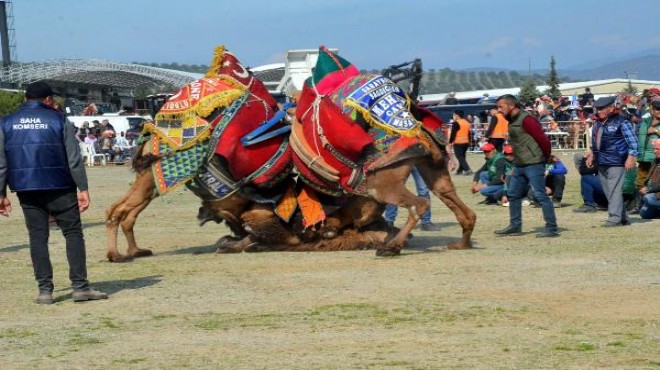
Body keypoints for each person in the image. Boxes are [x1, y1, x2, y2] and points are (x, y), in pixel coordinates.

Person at [0, 81, 108, 304]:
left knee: (37, 238)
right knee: (73, 234)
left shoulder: (6, 122)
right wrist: (83, 188)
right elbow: (73, 158)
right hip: (60, 186)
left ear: (25, 99)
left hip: (26, 188)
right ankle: (80, 287)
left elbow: (1, 163)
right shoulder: (59, 119)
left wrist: (1, 194)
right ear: (48, 100)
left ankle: (45, 291)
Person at [493, 94, 559, 238]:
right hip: (520, 163)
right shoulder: (511, 120)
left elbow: (543, 140)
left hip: (534, 163)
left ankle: (552, 228)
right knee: (513, 194)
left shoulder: (527, 119)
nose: (498, 110)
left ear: (511, 105)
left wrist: (546, 157)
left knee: (540, 195)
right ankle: (515, 226)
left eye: (500, 107)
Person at [585, 96, 638, 227]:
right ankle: (623, 217)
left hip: (617, 161)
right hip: (601, 161)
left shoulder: (622, 122)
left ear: (610, 108)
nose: (599, 111)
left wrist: (631, 158)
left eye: (602, 109)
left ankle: (614, 218)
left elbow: (633, 142)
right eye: (598, 109)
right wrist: (592, 155)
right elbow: (595, 142)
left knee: (614, 190)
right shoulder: (597, 123)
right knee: (609, 191)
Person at [384, 167, 442, 231]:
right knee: (395, 190)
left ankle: (426, 222)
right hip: (404, 161)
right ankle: (389, 221)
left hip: (418, 162)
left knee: (424, 191)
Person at [631, 98, 660, 213]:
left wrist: (656, 132)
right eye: (657, 109)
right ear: (652, 109)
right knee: (640, 181)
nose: (658, 111)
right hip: (643, 156)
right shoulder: (645, 121)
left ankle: (652, 205)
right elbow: (638, 137)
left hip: (656, 158)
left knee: (653, 183)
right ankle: (639, 206)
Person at [639, 139, 660, 219]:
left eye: (657, 149)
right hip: (654, 193)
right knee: (644, 214)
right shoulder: (656, 161)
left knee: (648, 198)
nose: (654, 151)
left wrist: (649, 189)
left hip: (654, 193)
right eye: (654, 149)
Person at [449, 110, 472, 176]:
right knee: (462, 157)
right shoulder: (466, 122)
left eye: (454, 115)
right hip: (466, 142)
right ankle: (460, 170)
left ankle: (468, 170)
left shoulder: (456, 123)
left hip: (458, 142)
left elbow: (453, 133)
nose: (453, 116)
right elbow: (469, 133)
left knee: (459, 156)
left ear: (457, 115)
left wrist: (450, 142)